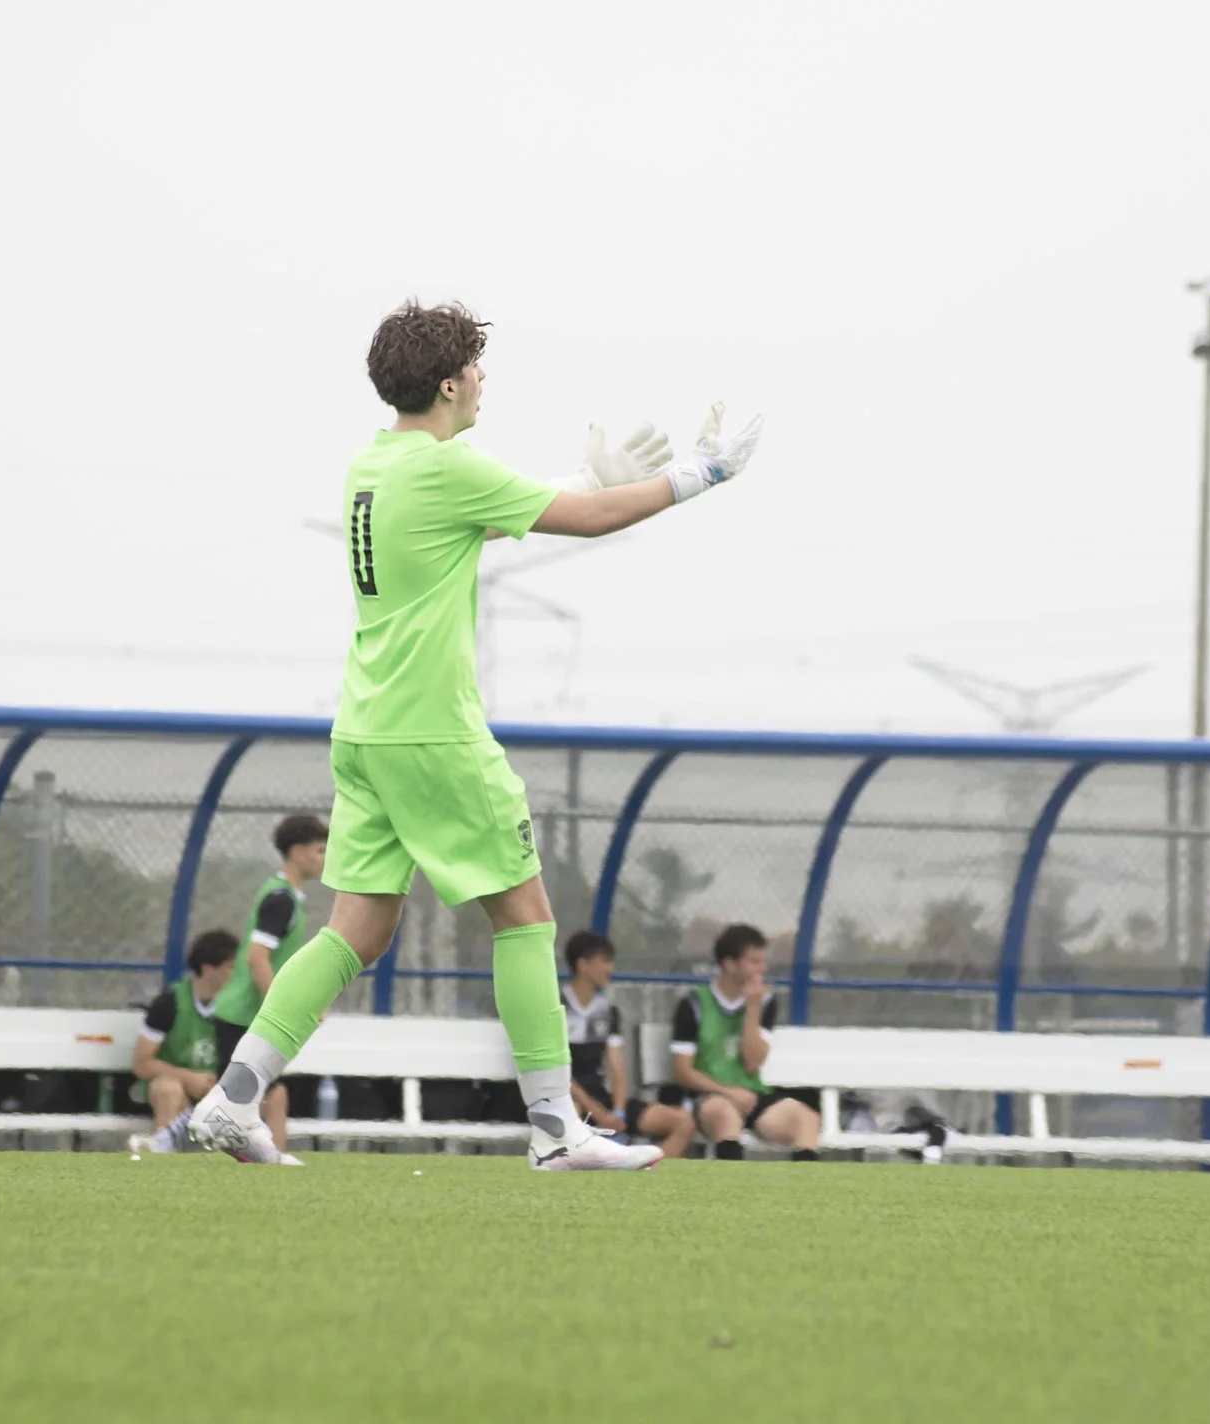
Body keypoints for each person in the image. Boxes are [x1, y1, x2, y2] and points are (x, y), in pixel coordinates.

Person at [191, 297, 762, 1171]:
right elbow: (589, 520)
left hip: (368, 729)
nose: (486, 381)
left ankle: (232, 1102)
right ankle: (553, 1129)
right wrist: (701, 475)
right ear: (452, 382)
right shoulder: (445, 469)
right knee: (525, 916)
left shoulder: (373, 466)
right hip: (433, 734)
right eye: (479, 369)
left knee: (355, 932)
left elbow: (487, 518)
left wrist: (581, 472)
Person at [155, 814, 328, 1164]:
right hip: (243, 1013)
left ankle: (261, 1155)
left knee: (252, 1091)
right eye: (320, 850)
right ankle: (166, 1140)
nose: (326, 858)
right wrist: (283, 1007)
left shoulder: (288, 898)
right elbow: (256, 958)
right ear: (296, 852)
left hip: (245, 1012)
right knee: (237, 1092)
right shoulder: (280, 900)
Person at [671, 923, 823, 1161]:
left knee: (807, 1119)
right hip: (711, 1096)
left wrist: (752, 1009)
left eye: (762, 961)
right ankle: (731, 1191)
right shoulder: (693, 1004)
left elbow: (752, 1063)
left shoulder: (764, 1003)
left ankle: (804, 1191)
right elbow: (683, 1072)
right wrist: (728, 1092)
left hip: (753, 1095)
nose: (762, 969)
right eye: (754, 962)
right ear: (729, 964)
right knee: (725, 1115)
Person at [562, 931, 694, 1160]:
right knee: (572, 1112)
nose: (610, 969)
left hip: (602, 1100)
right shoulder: (555, 1007)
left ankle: (649, 1180)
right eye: (604, 961)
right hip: (566, 1097)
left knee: (682, 1122)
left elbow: (617, 1069)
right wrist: (600, 1114)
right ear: (583, 964)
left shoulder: (608, 1011)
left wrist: (618, 1111)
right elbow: (557, 1072)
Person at [126, 928, 237, 1157]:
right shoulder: (169, 1004)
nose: (237, 975)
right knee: (169, 1089)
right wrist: (188, 1077)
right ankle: (162, 1168)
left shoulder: (235, 1008)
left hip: (214, 1088)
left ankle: (270, 1167)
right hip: (173, 1084)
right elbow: (142, 1063)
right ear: (208, 970)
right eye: (231, 967)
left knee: (275, 1096)